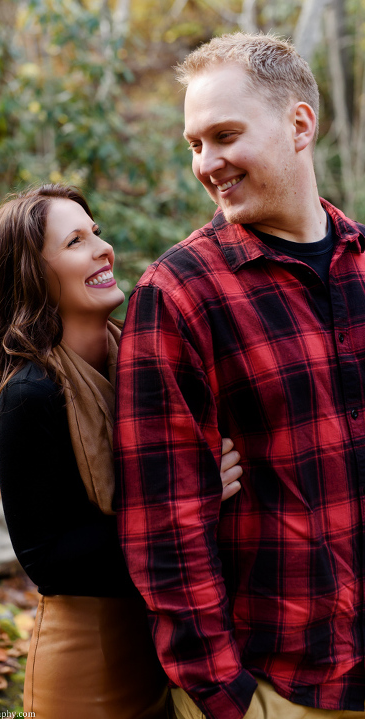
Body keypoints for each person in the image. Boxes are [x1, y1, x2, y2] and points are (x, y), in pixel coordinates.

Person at [114, 32, 365, 719]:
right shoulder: (178, 294)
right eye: (195, 144)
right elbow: (164, 524)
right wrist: (223, 694)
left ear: (299, 124)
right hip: (277, 687)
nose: (206, 163)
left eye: (224, 135)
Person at [0, 183, 243, 718]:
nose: (102, 248)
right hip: (88, 667)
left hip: (167, 648)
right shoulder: (31, 393)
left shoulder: (140, 362)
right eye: (75, 241)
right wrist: (194, 498)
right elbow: (49, 560)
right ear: (31, 273)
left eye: (97, 232)